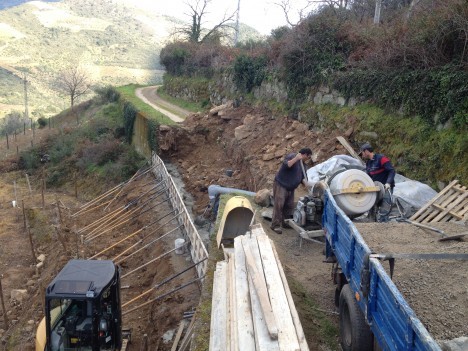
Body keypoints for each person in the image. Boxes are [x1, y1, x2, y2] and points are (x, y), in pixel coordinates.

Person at [271, 147, 312, 234]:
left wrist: (307, 184)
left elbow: (303, 178)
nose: (308, 159)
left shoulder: (304, 166)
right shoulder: (292, 156)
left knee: (289, 206)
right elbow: (287, 165)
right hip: (281, 185)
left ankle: (285, 222)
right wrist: (296, 158)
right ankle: (275, 225)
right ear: (305, 155)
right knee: (279, 205)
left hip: (290, 188)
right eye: (308, 157)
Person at [359, 143, 396, 221]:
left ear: (366, 151)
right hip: (375, 188)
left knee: (384, 208)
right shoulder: (369, 163)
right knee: (372, 206)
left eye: (362, 152)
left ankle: (383, 226)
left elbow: (391, 171)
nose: (362, 155)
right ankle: (373, 224)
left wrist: (388, 183)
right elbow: (368, 177)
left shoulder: (381, 158)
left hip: (386, 188)